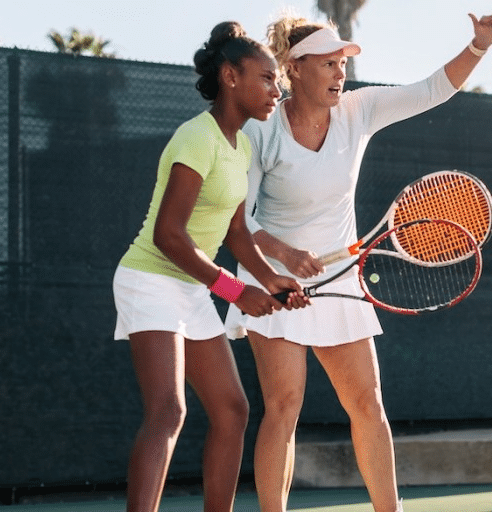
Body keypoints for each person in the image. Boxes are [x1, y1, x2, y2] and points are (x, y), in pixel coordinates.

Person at [223, 11, 492, 512]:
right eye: (329, 64)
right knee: (284, 407)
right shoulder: (261, 132)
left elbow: (432, 90)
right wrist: (287, 256)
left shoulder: (360, 109)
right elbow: (240, 223)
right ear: (295, 68)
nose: (341, 73)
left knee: (367, 403)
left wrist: (479, 46)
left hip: (340, 282)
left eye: (343, 64)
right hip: (272, 278)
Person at [112, 21, 307, 512]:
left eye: (277, 81)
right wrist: (235, 292)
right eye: (266, 78)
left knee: (232, 410)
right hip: (150, 279)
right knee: (167, 412)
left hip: (191, 286)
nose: (276, 90)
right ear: (230, 77)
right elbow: (168, 234)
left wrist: (271, 279)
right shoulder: (196, 138)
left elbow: (236, 231)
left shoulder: (240, 147)